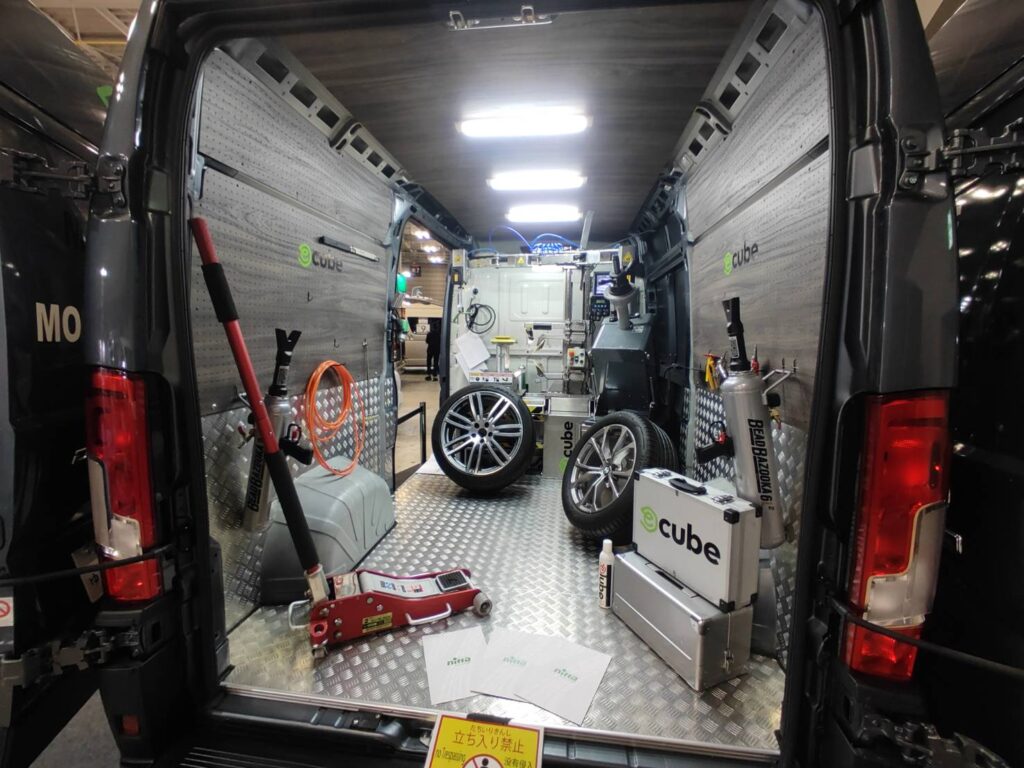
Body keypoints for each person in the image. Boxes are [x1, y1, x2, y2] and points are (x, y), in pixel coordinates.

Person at [425, 317, 442, 381]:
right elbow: (440, 341)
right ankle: (435, 376)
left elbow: (427, 341)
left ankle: (428, 375)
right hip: (437, 350)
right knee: (435, 363)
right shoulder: (439, 334)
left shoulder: (429, 334)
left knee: (429, 362)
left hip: (430, 349)